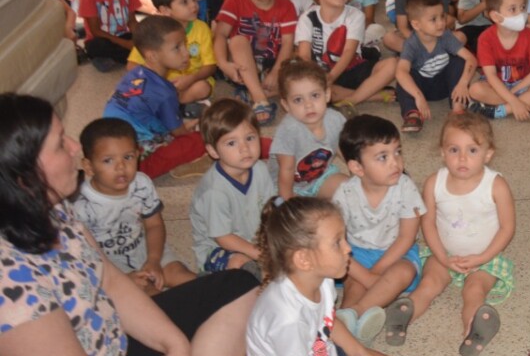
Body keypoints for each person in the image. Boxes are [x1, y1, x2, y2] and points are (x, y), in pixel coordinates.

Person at [0, 93, 262, 356]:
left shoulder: (52, 206)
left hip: (112, 344)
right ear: (23, 174)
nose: (74, 147)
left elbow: (109, 279)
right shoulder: (8, 275)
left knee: (241, 285)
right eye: (60, 143)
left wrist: (175, 345)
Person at [246, 195, 530, 356]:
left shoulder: (319, 280)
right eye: (337, 242)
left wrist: (362, 355)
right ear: (303, 259)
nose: (348, 249)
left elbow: (328, 323)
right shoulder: (285, 316)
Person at [406, 112, 524, 356]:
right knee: (429, 284)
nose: (462, 158)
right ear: (442, 152)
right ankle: (403, 316)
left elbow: (507, 228)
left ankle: (474, 331)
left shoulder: (496, 185)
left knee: (474, 290)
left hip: (484, 258)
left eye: (472, 150)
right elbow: (428, 223)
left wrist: (482, 257)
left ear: (488, 154)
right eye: (454, 150)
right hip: (443, 254)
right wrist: (442, 257)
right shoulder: (434, 183)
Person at [73, 117, 197, 295]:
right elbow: (82, 255)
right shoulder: (80, 205)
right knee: (148, 294)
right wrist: (118, 279)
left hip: (145, 247)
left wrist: (153, 260)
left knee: (183, 276)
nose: (121, 167)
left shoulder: (141, 183)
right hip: (109, 263)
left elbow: (154, 225)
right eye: (108, 160)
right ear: (89, 166)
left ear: (138, 155)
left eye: (128, 157)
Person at [333, 115, 426, 346]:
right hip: (355, 252)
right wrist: (365, 275)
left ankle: (357, 312)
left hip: (397, 253)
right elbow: (334, 242)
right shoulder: (345, 194)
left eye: (397, 152)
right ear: (357, 167)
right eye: (383, 157)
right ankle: (347, 324)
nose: (395, 163)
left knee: (403, 272)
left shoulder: (405, 186)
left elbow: (406, 237)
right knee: (353, 281)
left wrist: (375, 272)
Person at [104, 15, 206, 178]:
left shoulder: (133, 75)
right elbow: (178, 133)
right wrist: (186, 132)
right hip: (134, 165)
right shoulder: (165, 92)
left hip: (106, 144)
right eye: (177, 48)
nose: (186, 53)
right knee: (201, 139)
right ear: (152, 56)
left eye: (185, 44)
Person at [191, 99, 276, 278]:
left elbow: (271, 208)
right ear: (213, 151)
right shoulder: (214, 191)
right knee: (238, 263)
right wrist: (261, 254)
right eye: (231, 143)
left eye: (250, 138)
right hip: (218, 248)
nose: (245, 148)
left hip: (254, 237)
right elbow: (223, 237)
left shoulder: (260, 169)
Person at [296, 0, 399, 109]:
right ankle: (371, 95)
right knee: (304, 84)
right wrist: (320, 78)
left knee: (394, 64)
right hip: (320, 72)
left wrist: (331, 77)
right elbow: (304, 56)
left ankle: (353, 99)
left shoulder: (355, 15)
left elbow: (349, 52)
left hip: (351, 67)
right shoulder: (308, 17)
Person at [214, 0, 299, 126]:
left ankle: (250, 92)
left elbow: (287, 43)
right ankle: (260, 99)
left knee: (299, 69)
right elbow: (220, 34)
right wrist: (223, 64)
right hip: (238, 64)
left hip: (270, 64)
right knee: (237, 40)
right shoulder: (235, 1)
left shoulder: (286, 6)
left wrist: (275, 72)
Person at [126, 0, 217, 111]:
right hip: (162, 82)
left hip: (192, 81)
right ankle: (174, 104)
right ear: (165, 10)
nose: (193, 4)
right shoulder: (154, 31)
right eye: (184, 1)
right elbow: (132, 65)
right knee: (138, 86)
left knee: (203, 88)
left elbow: (210, 66)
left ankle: (175, 103)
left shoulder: (202, 28)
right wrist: (158, 81)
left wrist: (191, 78)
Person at [395, 0, 479, 134]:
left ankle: (458, 108)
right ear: (416, 24)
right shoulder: (411, 44)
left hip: (445, 86)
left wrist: (463, 83)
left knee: (458, 61)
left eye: (442, 17)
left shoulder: (446, 36)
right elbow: (401, 71)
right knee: (403, 76)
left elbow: (471, 59)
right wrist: (418, 95)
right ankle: (413, 114)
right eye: (433, 19)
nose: (441, 23)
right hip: (421, 89)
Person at [468, 0, 530, 120]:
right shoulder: (485, 38)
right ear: (495, 16)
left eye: (522, 7)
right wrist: (514, 100)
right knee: (475, 90)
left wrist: (513, 95)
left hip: (524, 83)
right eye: (513, 9)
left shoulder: (529, 34)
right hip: (496, 86)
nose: (521, 13)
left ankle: (501, 111)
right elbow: (491, 76)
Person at [269, 62, 348, 201]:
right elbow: (286, 170)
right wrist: (288, 203)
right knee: (305, 214)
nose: (308, 105)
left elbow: (347, 152)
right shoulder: (288, 131)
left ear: (327, 94)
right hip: (289, 186)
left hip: (322, 177)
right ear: (286, 105)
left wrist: (359, 181)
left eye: (315, 95)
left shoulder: (335, 119)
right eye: (298, 100)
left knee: (350, 190)